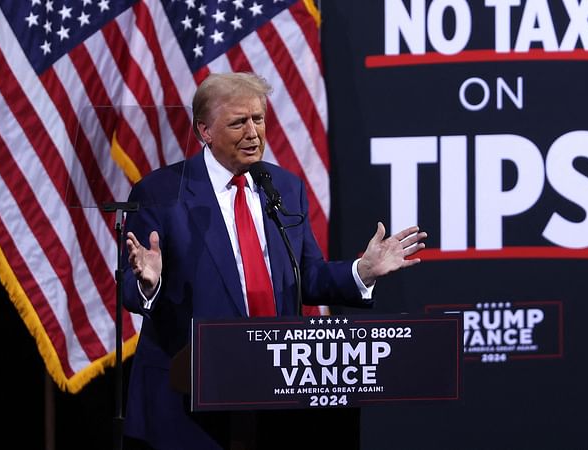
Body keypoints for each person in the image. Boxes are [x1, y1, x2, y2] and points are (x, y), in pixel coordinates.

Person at [121, 72, 427, 449]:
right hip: (187, 400)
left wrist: (361, 271)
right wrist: (148, 284)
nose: (253, 132)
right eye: (238, 122)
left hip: (271, 391)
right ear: (205, 131)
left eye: (259, 119)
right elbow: (131, 289)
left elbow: (307, 276)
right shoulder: (161, 191)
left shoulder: (282, 187)